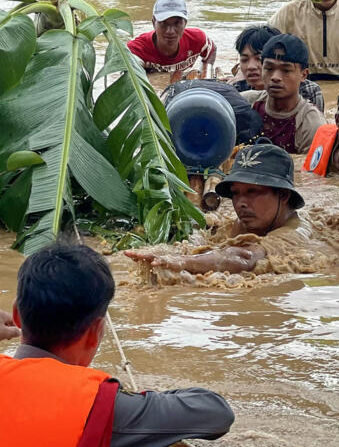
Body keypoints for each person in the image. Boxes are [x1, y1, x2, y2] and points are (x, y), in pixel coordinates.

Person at [0, 242, 234, 447]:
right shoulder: (103, 405)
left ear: (17, 315)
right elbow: (216, 413)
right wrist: (139, 402)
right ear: (96, 331)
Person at [126, 138, 310, 274]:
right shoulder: (246, 222)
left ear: (283, 195)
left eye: (252, 192)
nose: (241, 203)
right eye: (235, 193)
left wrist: (183, 262)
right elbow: (219, 248)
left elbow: (245, 258)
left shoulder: (291, 235)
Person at [250, 34, 325, 154]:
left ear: (303, 75)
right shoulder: (248, 103)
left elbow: (308, 171)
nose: (275, 77)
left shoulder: (311, 124)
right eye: (269, 68)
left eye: (286, 70)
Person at [232, 25, 324, 113]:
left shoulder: (309, 91)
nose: (250, 66)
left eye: (259, 59)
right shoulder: (236, 91)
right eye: (244, 60)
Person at [127, 0, 217, 74]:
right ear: (153, 22)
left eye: (177, 23)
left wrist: (205, 72)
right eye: (164, 23)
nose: (170, 31)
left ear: (185, 23)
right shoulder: (136, 50)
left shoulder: (197, 39)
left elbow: (212, 49)